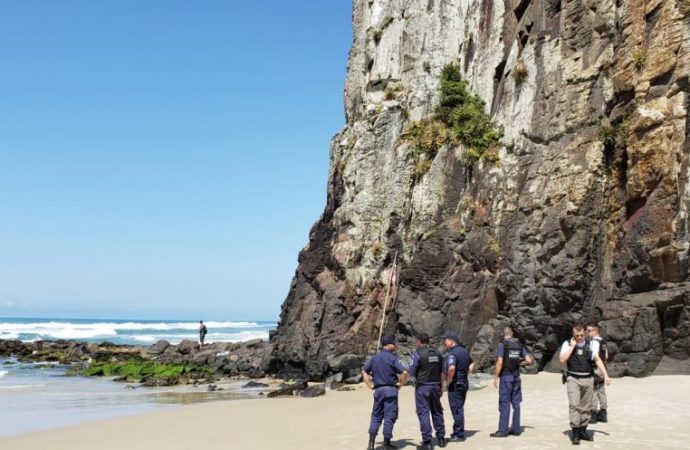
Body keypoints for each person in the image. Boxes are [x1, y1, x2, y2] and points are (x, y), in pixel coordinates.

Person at [559, 324, 611, 445]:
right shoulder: (567, 343)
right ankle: (576, 432)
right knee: (574, 405)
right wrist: (572, 347)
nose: (580, 337)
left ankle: (583, 430)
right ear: (573, 335)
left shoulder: (591, 344)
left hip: (588, 379)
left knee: (586, 407)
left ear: (585, 333)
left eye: (582, 335)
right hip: (573, 378)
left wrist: (606, 375)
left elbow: (597, 359)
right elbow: (562, 359)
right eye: (577, 335)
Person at [362, 335, 409, 450]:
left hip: (378, 390)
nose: (395, 345)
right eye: (393, 343)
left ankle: (371, 443)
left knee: (376, 415)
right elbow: (404, 372)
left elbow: (364, 371)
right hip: (390, 390)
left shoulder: (374, 358)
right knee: (390, 416)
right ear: (389, 344)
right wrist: (400, 384)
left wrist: (370, 385)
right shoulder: (393, 358)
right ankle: (386, 443)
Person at [490, 326, 534, 438]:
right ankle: (516, 429)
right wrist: (520, 363)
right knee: (516, 403)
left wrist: (495, 377)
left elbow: (500, 362)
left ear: (503, 334)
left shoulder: (502, 345)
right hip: (516, 377)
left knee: (504, 402)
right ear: (512, 333)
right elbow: (529, 360)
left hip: (506, 377)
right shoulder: (519, 344)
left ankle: (503, 430)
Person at [408, 333, 446, 449]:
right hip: (436, 386)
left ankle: (427, 441)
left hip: (423, 387)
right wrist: (442, 387)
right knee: (437, 411)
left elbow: (411, 371)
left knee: (423, 413)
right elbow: (442, 372)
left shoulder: (417, 354)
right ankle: (441, 438)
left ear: (419, 341)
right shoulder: (438, 353)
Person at [442, 331, 474, 442]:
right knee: (459, 407)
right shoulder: (464, 351)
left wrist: (449, 380)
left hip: (456, 384)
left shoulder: (453, 353)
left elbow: (451, 368)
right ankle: (457, 430)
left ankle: (459, 434)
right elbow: (472, 363)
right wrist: (467, 374)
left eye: (445, 340)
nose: (444, 342)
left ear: (451, 341)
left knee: (456, 409)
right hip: (463, 382)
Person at [587, 323, 609, 424]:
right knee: (601, 390)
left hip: (595, 368)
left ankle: (593, 415)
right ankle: (603, 414)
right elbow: (606, 356)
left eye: (589, 331)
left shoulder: (594, 342)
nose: (587, 332)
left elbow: (595, 355)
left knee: (594, 391)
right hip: (603, 368)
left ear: (595, 331)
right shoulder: (603, 341)